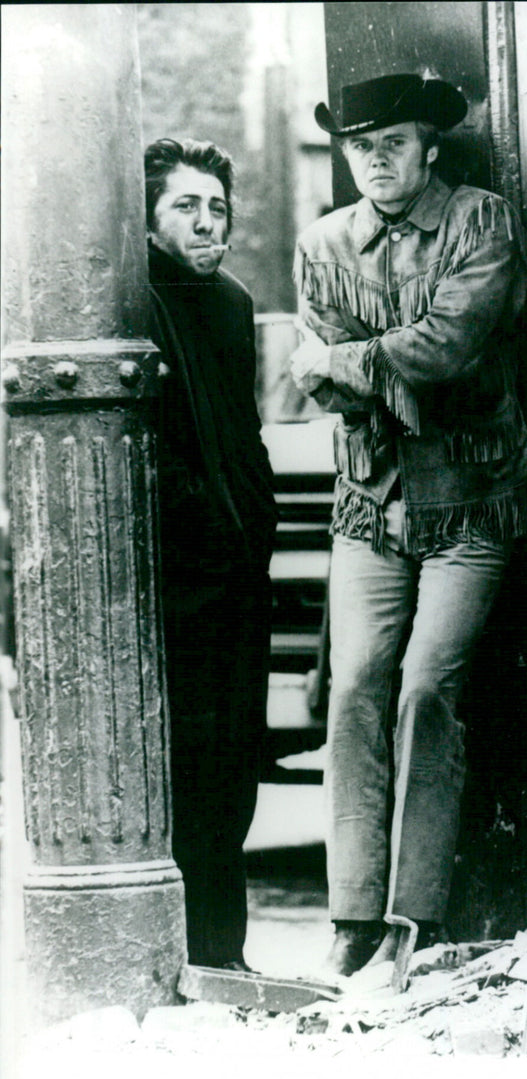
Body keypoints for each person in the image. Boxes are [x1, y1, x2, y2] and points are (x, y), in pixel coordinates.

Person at [290, 74, 527, 976]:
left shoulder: (481, 221)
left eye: (393, 143)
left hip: (473, 496)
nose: (376, 161)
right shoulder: (322, 244)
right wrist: (375, 369)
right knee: (355, 685)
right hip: (372, 502)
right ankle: (352, 917)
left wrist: (346, 360)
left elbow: (450, 344)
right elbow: (333, 385)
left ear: (429, 146)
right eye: (360, 147)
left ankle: (412, 916)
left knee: (428, 689)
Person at [144, 138, 277, 970]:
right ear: (151, 218)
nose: (205, 222)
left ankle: (225, 954)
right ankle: (184, 954)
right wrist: (207, 526)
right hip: (174, 581)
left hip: (236, 577)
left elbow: (245, 434)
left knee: (234, 766)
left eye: (216, 207)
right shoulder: (131, 299)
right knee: (186, 765)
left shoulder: (231, 303)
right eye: (185, 206)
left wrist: (253, 526)